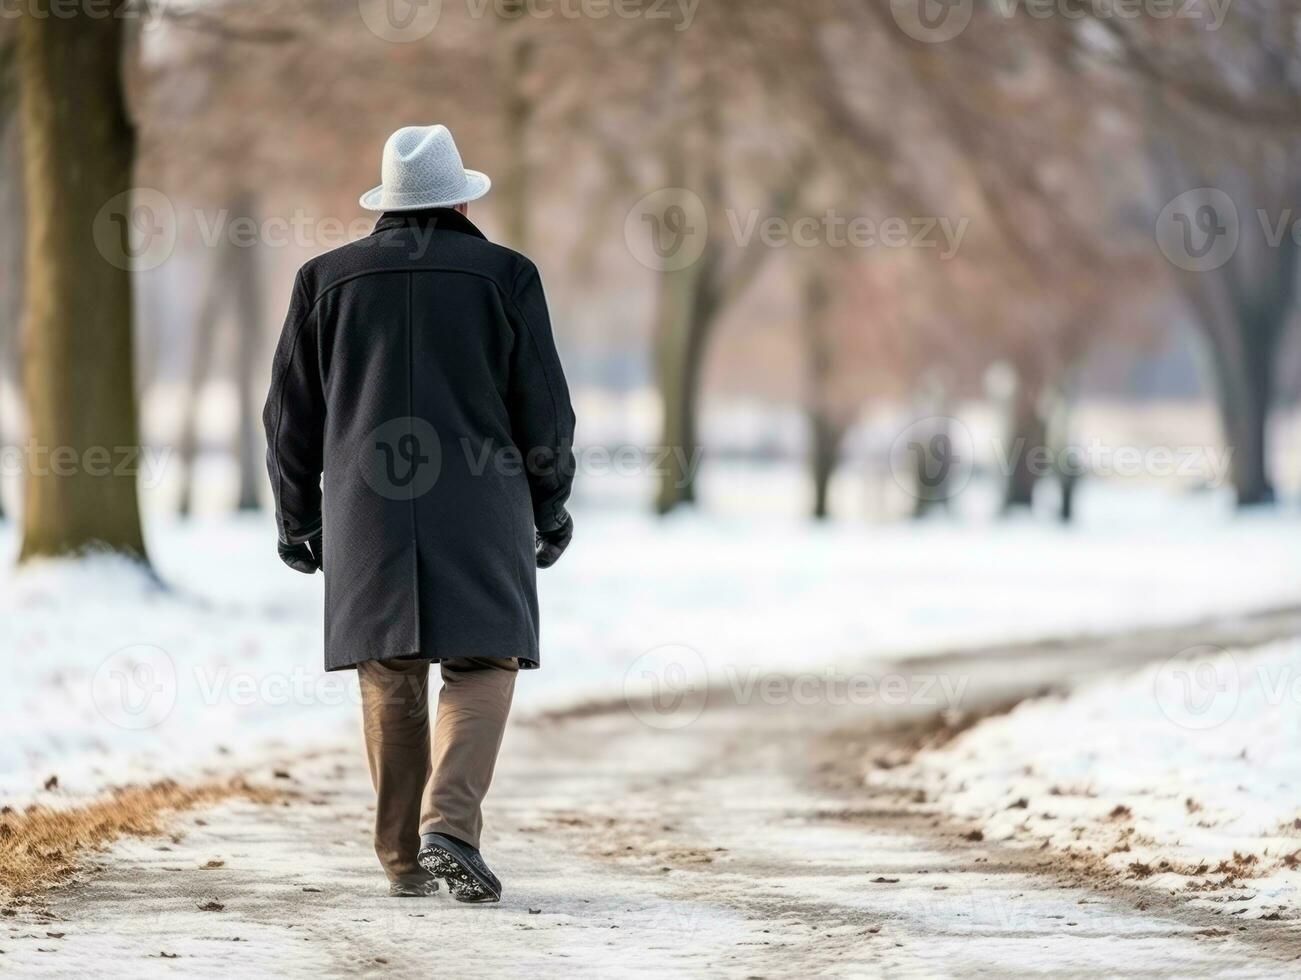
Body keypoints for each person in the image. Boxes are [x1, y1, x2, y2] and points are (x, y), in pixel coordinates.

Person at [263, 124, 576, 901]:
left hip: (366, 506)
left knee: (389, 669)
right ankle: (450, 829)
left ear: (387, 204)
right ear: (462, 196)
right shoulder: (506, 276)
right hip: (480, 501)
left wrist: (296, 518)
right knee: (482, 661)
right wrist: (551, 506)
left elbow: (288, 416)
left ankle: (403, 857)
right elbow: (544, 407)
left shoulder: (324, 280)